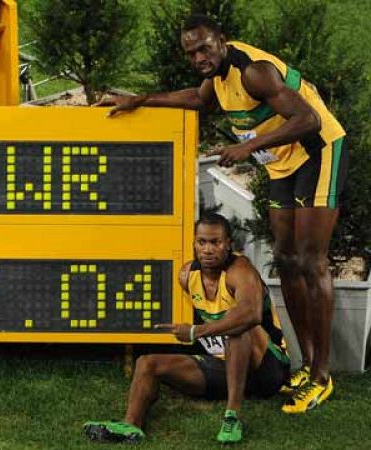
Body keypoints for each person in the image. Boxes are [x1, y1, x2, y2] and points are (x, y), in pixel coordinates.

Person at [97, 13, 346, 413]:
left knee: (310, 260)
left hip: (318, 152)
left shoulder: (254, 73)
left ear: (222, 41)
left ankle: (321, 375)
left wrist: (247, 148)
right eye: (191, 53)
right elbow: (198, 100)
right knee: (285, 259)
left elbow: (308, 119)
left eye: (204, 48)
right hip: (281, 162)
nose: (198, 57)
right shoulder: (217, 77)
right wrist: (140, 100)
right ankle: (304, 364)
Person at [83, 213, 290, 444]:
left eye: (215, 242)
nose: (208, 250)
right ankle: (131, 425)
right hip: (224, 367)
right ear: (194, 244)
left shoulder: (241, 272)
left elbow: (249, 315)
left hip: (267, 368)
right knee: (147, 362)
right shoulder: (187, 276)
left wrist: (195, 332)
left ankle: (232, 417)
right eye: (202, 242)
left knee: (237, 326)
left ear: (228, 245)